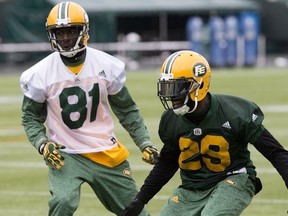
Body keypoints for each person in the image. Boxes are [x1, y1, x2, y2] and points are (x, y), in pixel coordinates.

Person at [20, 1, 159, 216]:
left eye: (70, 31)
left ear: (83, 30)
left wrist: (144, 142)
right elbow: (30, 117)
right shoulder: (40, 73)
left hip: (106, 152)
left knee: (135, 211)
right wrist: (42, 143)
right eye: (59, 32)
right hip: (66, 154)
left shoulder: (106, 65)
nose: (64, 38)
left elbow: (127, 110)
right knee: (63, 202)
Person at [119, 50, 288, 216]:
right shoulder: (171, 120)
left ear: (199, 85)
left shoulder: (235, 112)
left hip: (233, 178)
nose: (171, 95)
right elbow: (167, 163)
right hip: (191, 188)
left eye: (177, 87)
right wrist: (141, 200)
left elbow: (276, 153)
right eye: (167, 87)